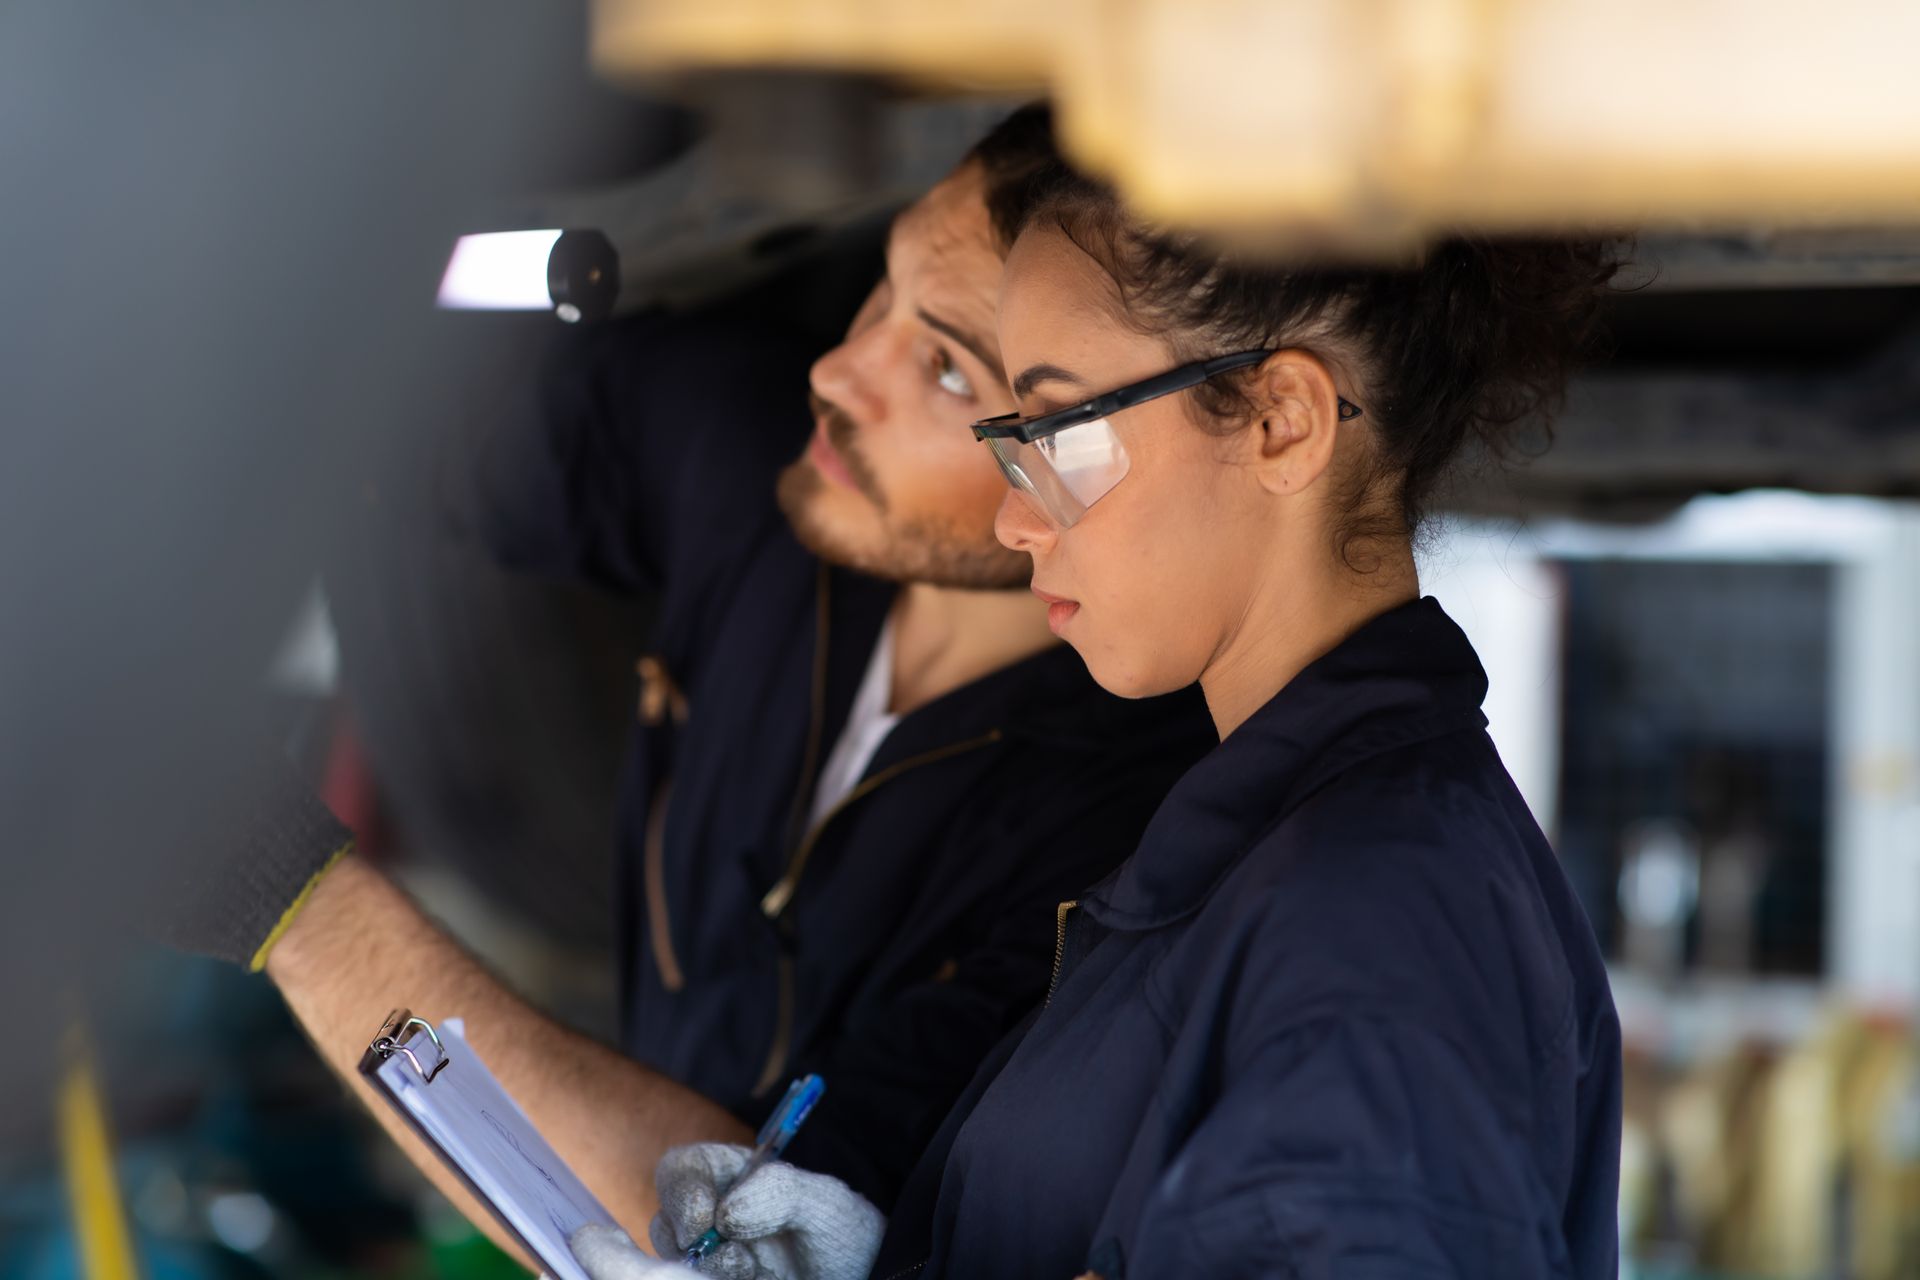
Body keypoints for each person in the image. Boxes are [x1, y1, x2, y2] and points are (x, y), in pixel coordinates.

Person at [167, 107, 1214, 1256]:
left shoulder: (1134, 852)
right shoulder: (771, 461)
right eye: (882, 296)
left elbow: (737, 1235)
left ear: (1083, 451)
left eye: (947, 369)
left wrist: (290, 900)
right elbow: (423, 427)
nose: (839, 371)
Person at [588, 161, 1625, 1278]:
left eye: (1058, 432)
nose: (1013, 515)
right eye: (1011, 437)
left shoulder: (1381, 919)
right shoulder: (1258, 854)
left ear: (1283, 419)